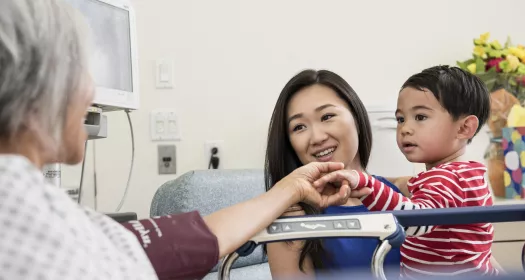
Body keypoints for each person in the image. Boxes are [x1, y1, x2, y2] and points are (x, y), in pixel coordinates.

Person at [0, 1, 359, 279]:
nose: (92, 90)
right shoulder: (17, 208)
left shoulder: (40, 208)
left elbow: (179, 241)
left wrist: (290, 189)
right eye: (84, 70)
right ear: (40, 79)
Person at [313, 65, 498, 278]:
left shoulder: (446, 178)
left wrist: (367, 185)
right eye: (400, 119)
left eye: (420, 117)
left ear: (464, 128)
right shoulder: (469, 173)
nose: (405, 128)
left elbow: (416, 221)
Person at [264, 69, 411, 279]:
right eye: (299, 127)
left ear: (356, 118)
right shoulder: (291, 216)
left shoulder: (408, 190)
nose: (316, 137)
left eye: (327, 116)